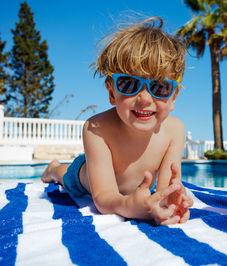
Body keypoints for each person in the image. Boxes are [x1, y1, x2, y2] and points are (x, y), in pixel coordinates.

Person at [42, 17, 193, 225]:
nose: (145, 98)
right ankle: (52, 168)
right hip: (86, 177)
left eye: (159, 87)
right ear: (112, 93)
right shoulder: (97, 129)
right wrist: (130, 207)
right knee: (64, 175)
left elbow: (166, 188)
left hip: (134, 189)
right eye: (129, 84)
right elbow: (103, 198)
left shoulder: (175, 130)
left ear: (173, 97)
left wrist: (173, 201)